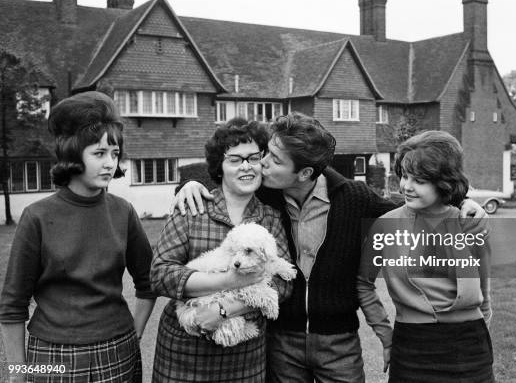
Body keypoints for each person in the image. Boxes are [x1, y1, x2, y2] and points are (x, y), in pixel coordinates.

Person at [174, 113, 486, 382]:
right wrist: (188, 183)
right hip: (283, 341)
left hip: (339, 344)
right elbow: (228, 176)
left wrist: (463, 201)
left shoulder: (354, 197)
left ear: (305, 173)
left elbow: (409, 202)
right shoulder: (266, 195)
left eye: (274, 159)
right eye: (266, 152)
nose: (262, 163)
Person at [0, 91, 157, 383]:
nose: (110, 163)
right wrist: (18, 373)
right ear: (73, 153)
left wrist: (134, 335)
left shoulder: (123, 212)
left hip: (117, 351)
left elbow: (148, 283)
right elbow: (12, 305)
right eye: (99, 153)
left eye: (115, 153)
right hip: (51, 357)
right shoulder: (37, 217)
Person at [150, 118, 292, 383]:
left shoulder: (270, 217)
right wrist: (228, 281)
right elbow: (160, 274)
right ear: (220, 167)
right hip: (184, 356)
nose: (246, 166)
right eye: (235, 160)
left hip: (244, 359)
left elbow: (282, 284)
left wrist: (224, 310)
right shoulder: (192, 209)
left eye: (253, 157)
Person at [358, 130, 493, 383]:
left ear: (444, 181)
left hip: (470, 347)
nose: (406, 186)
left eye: (419, 180)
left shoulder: (470, 222)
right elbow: (363, 284)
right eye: (404, 176)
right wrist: (386, 337)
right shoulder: (385, 225)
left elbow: (484, 289)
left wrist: (481, 329)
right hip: (411, 348)